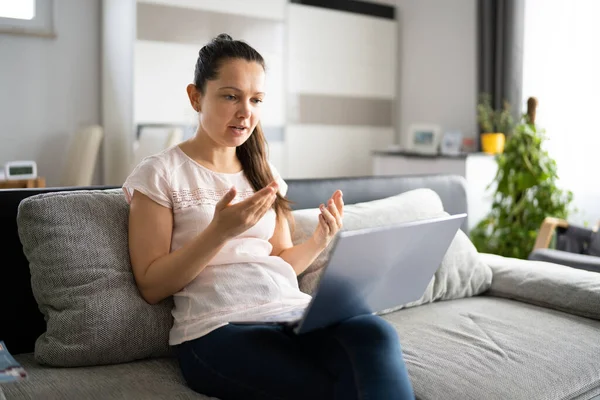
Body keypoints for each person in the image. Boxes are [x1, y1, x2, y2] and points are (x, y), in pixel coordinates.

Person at [122, 33, 415, 400]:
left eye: (256, 99)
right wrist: (219, 232)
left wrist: (319, 241)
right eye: (230, 96)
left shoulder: (265, 173)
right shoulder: (160, 174)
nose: (245, 112)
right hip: (216, 329)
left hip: (290, 312)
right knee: (331, 387)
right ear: (196, 96)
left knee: (375, 333)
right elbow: (151, 285)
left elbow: (280, 262)